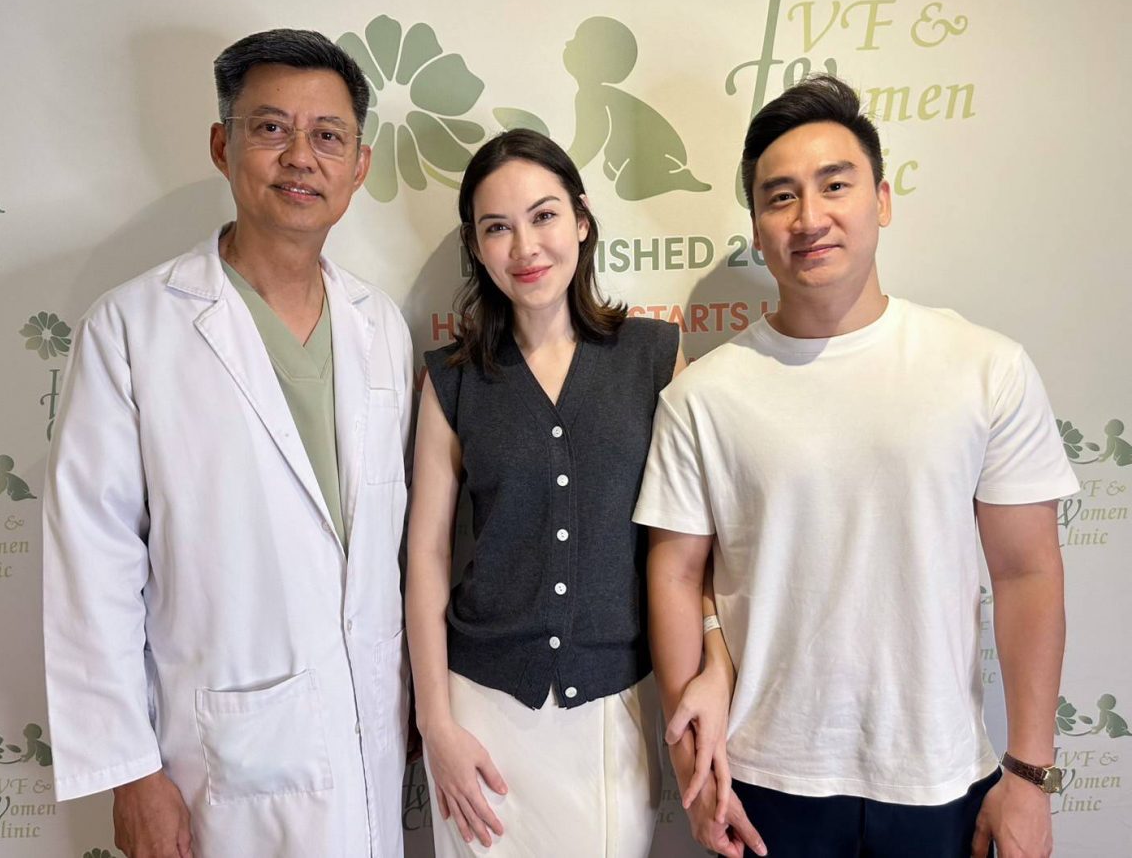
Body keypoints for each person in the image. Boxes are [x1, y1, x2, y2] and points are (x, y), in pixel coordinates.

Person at [634, 74, 1078, 858]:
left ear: (882, 199)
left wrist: (1030, 777)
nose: (810, 218)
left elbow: (1027, 574)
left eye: (834, 186)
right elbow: (673, 574)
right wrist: (694, 773)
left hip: (942, 780)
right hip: (763, 783)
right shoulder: (703, 395)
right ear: (757, 226)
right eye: (780, 197)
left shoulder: (985, 368)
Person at [42, 29, 413, 858]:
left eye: (328, 136)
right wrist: (131, 773)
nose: (300, 157)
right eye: (271, 128)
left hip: (371, 730)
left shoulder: (379, 325)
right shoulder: (134, 327)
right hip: (218, 759)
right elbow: (91, 563)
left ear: (359, 166)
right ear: (222, 145)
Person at [405, 128, 732, 857]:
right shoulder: (452, 379)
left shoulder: (654, 358)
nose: (525, 247)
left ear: (581, 221)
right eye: (497, 227)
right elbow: (426, 555)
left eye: (544, 216)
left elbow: (690, 547)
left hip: (612, 709)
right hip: (479, 714)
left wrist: (715, 657)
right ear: (476, 246)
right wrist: (436, 723)